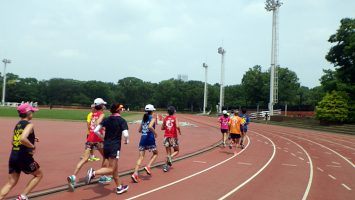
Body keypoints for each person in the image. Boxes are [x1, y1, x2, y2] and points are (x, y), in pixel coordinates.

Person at [0, 103, 43, 200]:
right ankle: (22, 196)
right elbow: (23, 139)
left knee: (10, 183)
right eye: (31, 111)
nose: (33, 113)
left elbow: (13, 141)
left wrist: (32, 138)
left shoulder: (18, 124)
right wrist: (32, 146)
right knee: (39, 175)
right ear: (28, 113)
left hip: (13, 156)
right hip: (24, 157)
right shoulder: (29, 124)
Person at [67, 98, 110, 191]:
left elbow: (92, 125)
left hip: (90, 138)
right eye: (103, 105)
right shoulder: (101, 114)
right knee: (106, 157)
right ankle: (102, 176)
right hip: (98, 140)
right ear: (101, 106)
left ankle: (73, 176)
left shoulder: (92, 114)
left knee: (85, 159)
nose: (104, 106)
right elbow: (98, 124)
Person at [85, 103, 129, 194]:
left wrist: (102, 137)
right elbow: (126, 134)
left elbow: (96, 130)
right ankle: (93, 173)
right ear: (118, 110)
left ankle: (119, 187)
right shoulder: (122, 121)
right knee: (111, 169)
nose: (122, 110)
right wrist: (126, 140)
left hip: (106, 145)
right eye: (121, 108)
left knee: (115, 168)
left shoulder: (107, 119)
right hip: (114, 146)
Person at [131, 104, 158, 183]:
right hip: (150, 138)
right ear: (152, 111)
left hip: (142, 138)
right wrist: (155, 133)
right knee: (156, 153)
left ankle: (135, 173)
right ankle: (148, 166)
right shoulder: (152, 118)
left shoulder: (144, 119)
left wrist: (144, 129)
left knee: (141, 157)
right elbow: (150, 126)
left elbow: (139, 130)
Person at [161, 106, 181, 172]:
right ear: (174, 111)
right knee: (177, 150)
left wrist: (167, 127)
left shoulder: (165, 118)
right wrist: (179, 131)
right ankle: (170, 158)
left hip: (166, 136)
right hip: (173, 137)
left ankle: (165, 166)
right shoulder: (175, 118)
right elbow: (177, 126)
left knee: (168, 153)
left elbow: (162, 128)